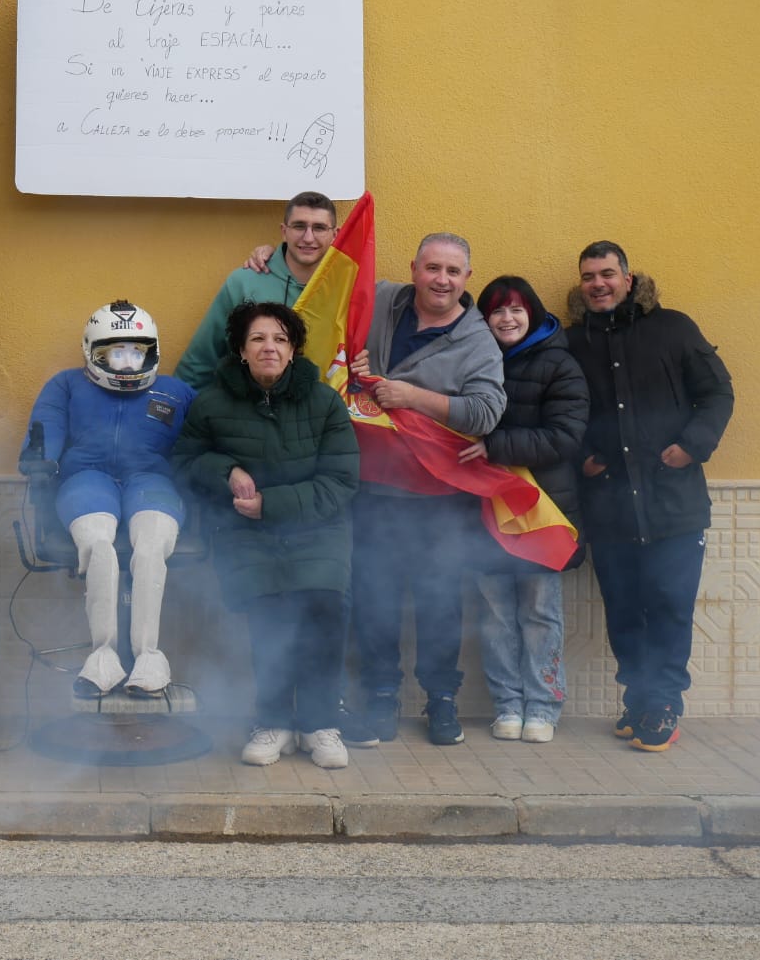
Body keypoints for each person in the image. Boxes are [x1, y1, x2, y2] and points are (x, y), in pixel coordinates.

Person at [173, 302, 359, 769]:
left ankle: (319, 724)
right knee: (270, 617)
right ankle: (273, 720)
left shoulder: (324, 402)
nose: (269, 348)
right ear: (240, 349)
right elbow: (184, 463)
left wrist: (271, 506)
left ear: (294, 349)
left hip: (317, 530)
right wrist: (227, 470)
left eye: (279, 339)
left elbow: (340, 481)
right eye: (257, 339)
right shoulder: (212, 403)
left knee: (324, 612)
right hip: (244, 533)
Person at [565, 241, 734, 753]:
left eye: (608, 273)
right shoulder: (574, 342)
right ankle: (641, 700)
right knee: (624, 608)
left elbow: (718, 392)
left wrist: (691, 446)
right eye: (590, 276)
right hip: (610, 505)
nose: (599, 283)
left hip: (674, 506)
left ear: (628, 277)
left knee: (667, 605)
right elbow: (560, 409)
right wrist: (583, 458)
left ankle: (661, 705)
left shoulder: (674, 328)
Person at [343, 233, 506, 747]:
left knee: (440, 606)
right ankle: (380, 700)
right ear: (413, 268)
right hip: (373, 490)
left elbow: (485, 413)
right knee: (374, 603)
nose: (441, 280)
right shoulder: (384, 300)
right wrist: (266, 258)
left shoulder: (478, 340)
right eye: (433, 268)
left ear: (467, 279)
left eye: (453, 272)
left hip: (438, 498)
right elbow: (326, 286)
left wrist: (412, 396)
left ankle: (441, 702)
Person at [22, 301, 196, 697]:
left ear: (152, 350)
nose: (127, 361)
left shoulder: (177, 392)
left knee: (151, 546)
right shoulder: (66, 385)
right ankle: (104, 655)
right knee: (99, 543)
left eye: (137, 351)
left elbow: (206, 440)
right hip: (86, 477)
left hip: (152, 481)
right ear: (92, 351)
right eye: (115, 351)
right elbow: (44, 428)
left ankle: (150, 657)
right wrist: (39, 462)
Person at [459, 276, 589, 745]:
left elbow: (565, 437)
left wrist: (495, 446)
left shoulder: (560, 365)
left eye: (516, 309)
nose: (507, 319)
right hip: (485, 512)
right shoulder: (473, 359)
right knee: (493, 613)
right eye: (496, 311)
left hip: (541, 511)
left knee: (539, 612)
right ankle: (507, 706)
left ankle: (544, 706)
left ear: (532, 312)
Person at [174, 192, 337, 390]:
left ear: (335, 234)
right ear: (284, 231)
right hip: (249, 411)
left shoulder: (346, 288)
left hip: (319, 413)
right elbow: (202, 359)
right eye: (299, 226)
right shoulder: (244, 282)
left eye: (319, 228)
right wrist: (178, 408)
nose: (308, 237)